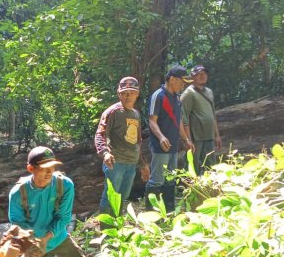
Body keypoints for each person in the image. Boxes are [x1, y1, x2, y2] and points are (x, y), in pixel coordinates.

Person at [8, 146, 88, 257]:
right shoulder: (18, 193)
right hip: (34, 244)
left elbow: (64, 218)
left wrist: (47, 238)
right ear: (31, 169)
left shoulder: (65, 185)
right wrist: (32, 242)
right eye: (44, 168)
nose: (50, 172)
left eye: (52, 167)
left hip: (58, 237)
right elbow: (17, 224)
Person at [94, 76, 150, 215]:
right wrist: (105, 153)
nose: (128, 96)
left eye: (131, 92)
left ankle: (117, 228)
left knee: (123, 197)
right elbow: (100, 134)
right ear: (119, 94)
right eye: (124, 93)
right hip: (116, 162)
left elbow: (137, 141)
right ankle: (107, 232)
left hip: (131, 163)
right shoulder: (113, 111)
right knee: (110, 197)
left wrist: (142, 164)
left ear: (137, 94)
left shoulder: (136, 114)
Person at [145, 64, 195, 212]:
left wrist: (186, 140)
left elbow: (177, 121)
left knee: (170, 179)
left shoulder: (176, 98)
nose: (182, 86)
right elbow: (152, 121)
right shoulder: (158, 96)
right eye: (181, 82)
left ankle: (169, 211)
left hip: (173, 146)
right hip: (161, 147)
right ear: (172, 79)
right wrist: (161, 137)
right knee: (157, 180)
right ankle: (151, 214)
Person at [181, 64, 222, 175]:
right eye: (199, 74)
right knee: (192, 165)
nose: (202, 76)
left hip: (209, 135)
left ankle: (210, 190)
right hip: (195, 137)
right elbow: (183, 117)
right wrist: (188, 140)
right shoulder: (188, 93)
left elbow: (212, 114)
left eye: (204, 74)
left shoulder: (209, 92)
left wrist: (217, 135)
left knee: (211, 165)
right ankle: (188, 190)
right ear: (192, 77)